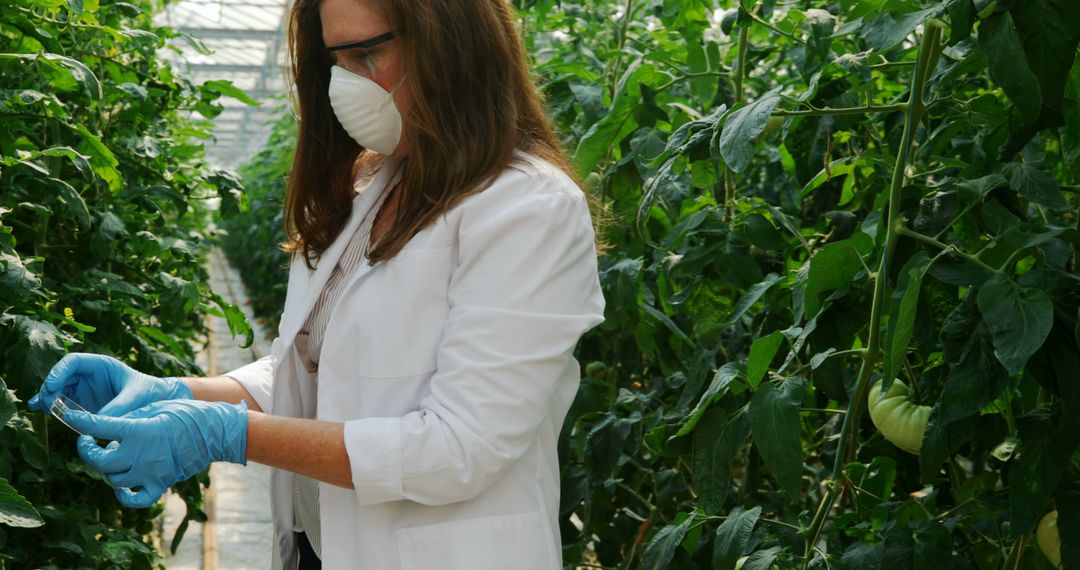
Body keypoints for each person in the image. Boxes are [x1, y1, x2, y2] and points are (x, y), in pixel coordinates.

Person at [27, 0, 607, 568]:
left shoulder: (528, 208)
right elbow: (318, 367)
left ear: (452, 45)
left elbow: (459, 448)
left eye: (368, 54)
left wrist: (228, 434)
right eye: (337, 61)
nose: (347, 84)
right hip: (321, 546)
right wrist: (180, 392)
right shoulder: (375, 182)